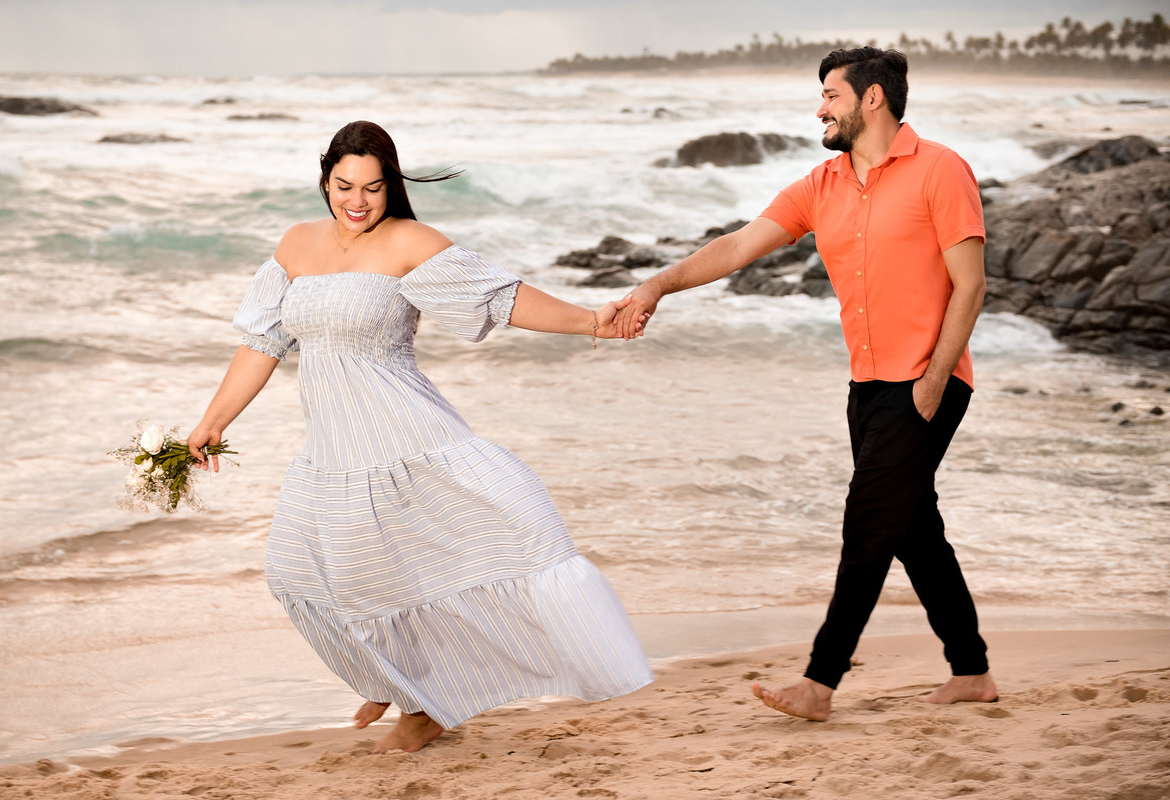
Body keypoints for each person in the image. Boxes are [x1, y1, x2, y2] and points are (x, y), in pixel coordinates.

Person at [188, 120, 652, 753]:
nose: (358, 202)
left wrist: (589, 324)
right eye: (345, 186)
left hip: (404, 433)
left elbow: (501, 300)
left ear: (392, 186)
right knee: (297, 575)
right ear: (325, 181)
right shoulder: (295, 245)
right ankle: (399, 685)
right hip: (331, 449)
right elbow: (262, 342)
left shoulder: (412, 242)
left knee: (471, 547)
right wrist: (214, 421)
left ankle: (422, 705)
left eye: (374, 188)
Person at [615, 47, 996, 721]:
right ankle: (970, 671)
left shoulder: (941, 169)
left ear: (871, 99)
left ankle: (820, 682)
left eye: (830, 95)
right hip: (866, 386)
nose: (819, 107)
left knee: (868, 525)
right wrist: (658, 285)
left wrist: (935, 381)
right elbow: (736, 246)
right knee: (912, 529)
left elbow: (971, 284)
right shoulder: (822, 185)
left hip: (925, 382)